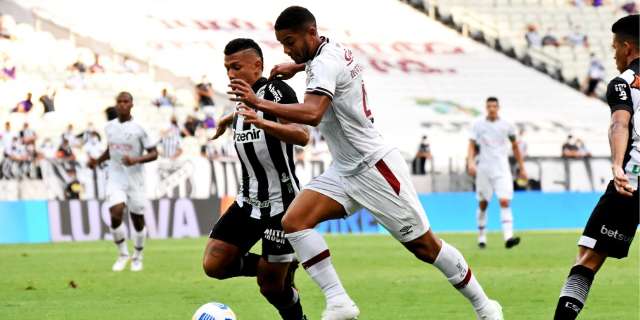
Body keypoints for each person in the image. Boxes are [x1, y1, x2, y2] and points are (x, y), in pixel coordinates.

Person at [229, 7, 503, 320]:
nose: (286, 49)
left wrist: (259, 102)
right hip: (344, 169)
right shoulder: (326, 51)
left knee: (426, 247)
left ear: (310, 32)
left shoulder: (324, 63)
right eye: (282, 44)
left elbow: (313, 114)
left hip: (375, 168)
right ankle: (339, 302)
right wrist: (298, 65)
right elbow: (321, 63)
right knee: (294, 222)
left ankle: (486, 306)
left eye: (289, 42)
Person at [204, 38, 309, 320]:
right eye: (226, 68)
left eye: (236, 67)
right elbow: (246, 113)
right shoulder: (242, 100)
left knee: (272, 288)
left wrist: (261, 122)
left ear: (257, 65)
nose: (230, 74)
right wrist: (228, 120)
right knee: (214, 264)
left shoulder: (277, 91)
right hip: (248, 202)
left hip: (282, 206)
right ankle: (283, 265)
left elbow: (303, 135)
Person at [553, 14, 640, 319]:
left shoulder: (623, 84)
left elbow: (620, 122)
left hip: (631, 182)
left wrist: (617, 165)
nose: (613, 53)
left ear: (628, 48)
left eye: (615, 46)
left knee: (587, 258)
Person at [88, 92, 158, 272]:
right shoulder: (109, 127)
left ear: (132, 104)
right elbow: (110, 150)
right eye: (119, 102)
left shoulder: (140, 128)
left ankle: (138, 255)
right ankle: (122, 254)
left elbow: (154, 153)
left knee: (137, 219)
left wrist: (136, 160)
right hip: (116, 176)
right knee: (116, 212)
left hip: (136, 178)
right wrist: (97, 160)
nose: (122, 105)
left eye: (125, 101)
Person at [467, 97, 527, 249]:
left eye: (494, 106)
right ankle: (481, 237)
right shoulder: (477, 124)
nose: (492, 109)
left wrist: (522, 167)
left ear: (498, 107)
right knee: (483, 204)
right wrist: (471, 162)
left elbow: (515, 146)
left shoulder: (507, 125)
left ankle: (508, 237)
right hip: (484, 169)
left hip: (502, 169)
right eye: (489, 106)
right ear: (486, 108)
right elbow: (471, 145)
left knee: (505, 201)